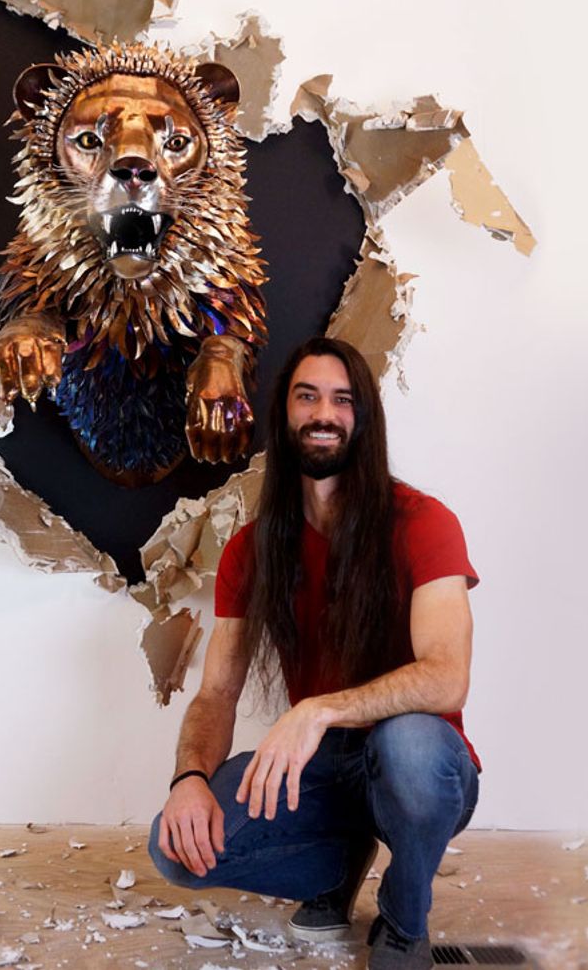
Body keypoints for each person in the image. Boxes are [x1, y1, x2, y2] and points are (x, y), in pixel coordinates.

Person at [148, 337, 482, 970]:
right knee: (177, 851)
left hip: (420, 766)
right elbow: (217, 693)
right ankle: (337, 865)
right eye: (308, 397)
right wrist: (189, 779)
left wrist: (318, 711)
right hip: (323, 770)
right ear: (285, 415)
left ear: (363, 419)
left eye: (342, 400)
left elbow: (446, 679)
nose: (324, 413)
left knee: (407, 745)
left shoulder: (423, 521)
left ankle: (405, 915)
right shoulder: (252, 549)